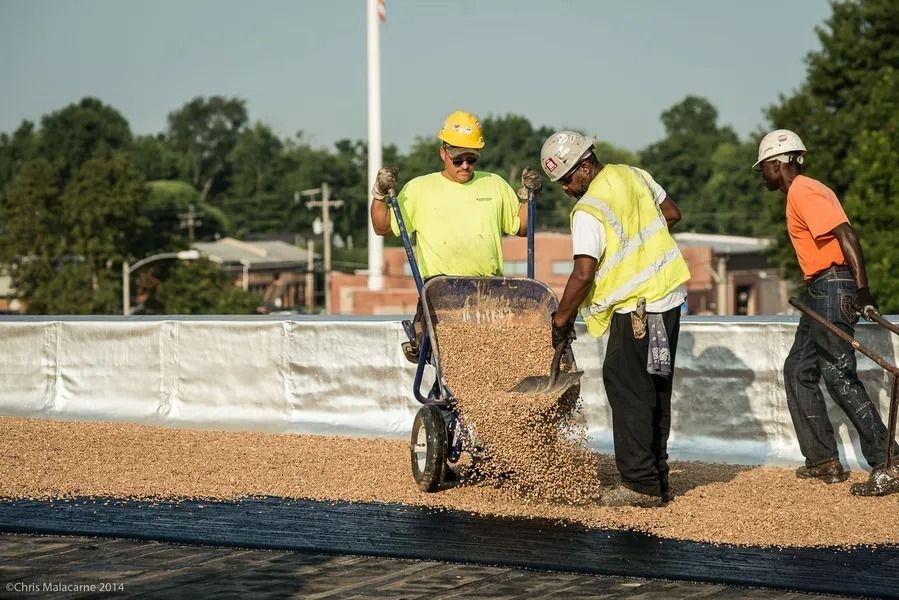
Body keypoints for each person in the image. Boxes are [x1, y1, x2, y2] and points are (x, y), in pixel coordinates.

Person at [541, 130, 690, 508]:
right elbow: (672, 213)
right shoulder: (634, 174)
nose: (565, 189)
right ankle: (656, 477)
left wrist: (561, 319)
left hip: (635, 309)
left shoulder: (589, 209)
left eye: (566, 179)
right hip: (667, 300)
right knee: (655, 388)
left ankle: (639, 485)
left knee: (628, 389)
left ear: (586, 165)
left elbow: (583, 273)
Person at [754, 129, 899, 497]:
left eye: (763, 169)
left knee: (838, 375)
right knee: (798, 370)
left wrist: (862, 289)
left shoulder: (804, 191)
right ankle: (822, 460)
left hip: (832, 286)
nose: (761, 176)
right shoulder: (803, 192)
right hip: (822, 289)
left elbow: (846, 234)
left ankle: (889, 463)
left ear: (777, 164)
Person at [370, 110, 539, 363]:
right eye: (458, 159)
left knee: (498, 358)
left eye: (471, 160)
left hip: (489, 290)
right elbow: (382, 227)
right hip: (441, 292)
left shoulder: (494, 184)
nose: (465, 166)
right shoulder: (419, 189)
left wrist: (528, 198)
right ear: (443, 153)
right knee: (449, 359)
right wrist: (380, 194)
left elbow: (522, 227)